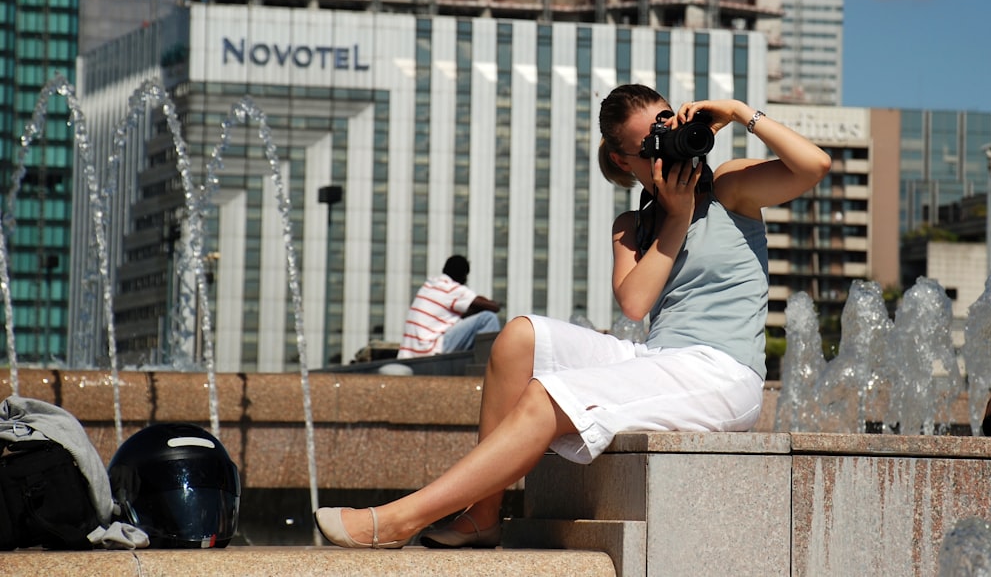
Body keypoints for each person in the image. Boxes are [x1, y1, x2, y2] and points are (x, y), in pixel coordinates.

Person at [314, 84, 831, 549]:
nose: (666, 144)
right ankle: (483, 516)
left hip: (722, 374)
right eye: (649, 144)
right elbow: (635, 303)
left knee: (548, 394)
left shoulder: (729, 186)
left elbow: (814, 166)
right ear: (624, 161)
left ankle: (398, 520)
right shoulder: (633, 224)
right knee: (520, 336)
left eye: (668, 124)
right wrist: (673, 218)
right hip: (660, 357)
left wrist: (739, 112)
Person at [397, 255, 501, 359]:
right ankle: (490, 364)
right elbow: (493, 307)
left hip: (409, 353)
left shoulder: (430, 285)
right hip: (430, 349)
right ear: (463, 275)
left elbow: (463, 314)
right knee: (488, 318)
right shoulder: (452, 289)